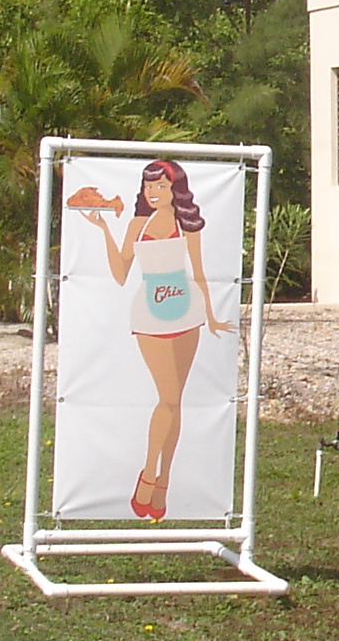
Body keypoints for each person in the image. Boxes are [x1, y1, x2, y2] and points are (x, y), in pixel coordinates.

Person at [73, 160, 233, 519]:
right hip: (150, 314)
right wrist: (103, 230)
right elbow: (119, 273)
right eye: (149, 187)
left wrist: (211, 316)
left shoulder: (186, 225)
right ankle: (148, 474)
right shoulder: (136, 224)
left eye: (161, 186)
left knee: (175, 403)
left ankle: (164, 483)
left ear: (174, 189)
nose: (154, 193)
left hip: (187, 313)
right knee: (168, 398)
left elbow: (200, 272)